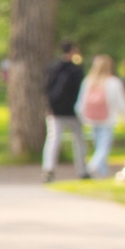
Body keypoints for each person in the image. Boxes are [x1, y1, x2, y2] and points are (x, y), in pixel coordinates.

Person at [44, 43, 87, 181]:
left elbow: (47, 88)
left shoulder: (54, 68)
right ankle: (82, 169)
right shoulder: (76, 70)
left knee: (53, 139)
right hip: (72, 111)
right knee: (79, 140)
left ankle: (48, 168)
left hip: (55, 111)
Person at [82, 53, 125, 176]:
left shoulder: (89, 81)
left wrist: (83, 117)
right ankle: (92, 167)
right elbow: (120, 102)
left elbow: (81, 103)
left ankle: (102, 173)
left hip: (92, 118)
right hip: (107, 119)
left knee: (99, 145)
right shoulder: (113, 82)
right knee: (104, 147)